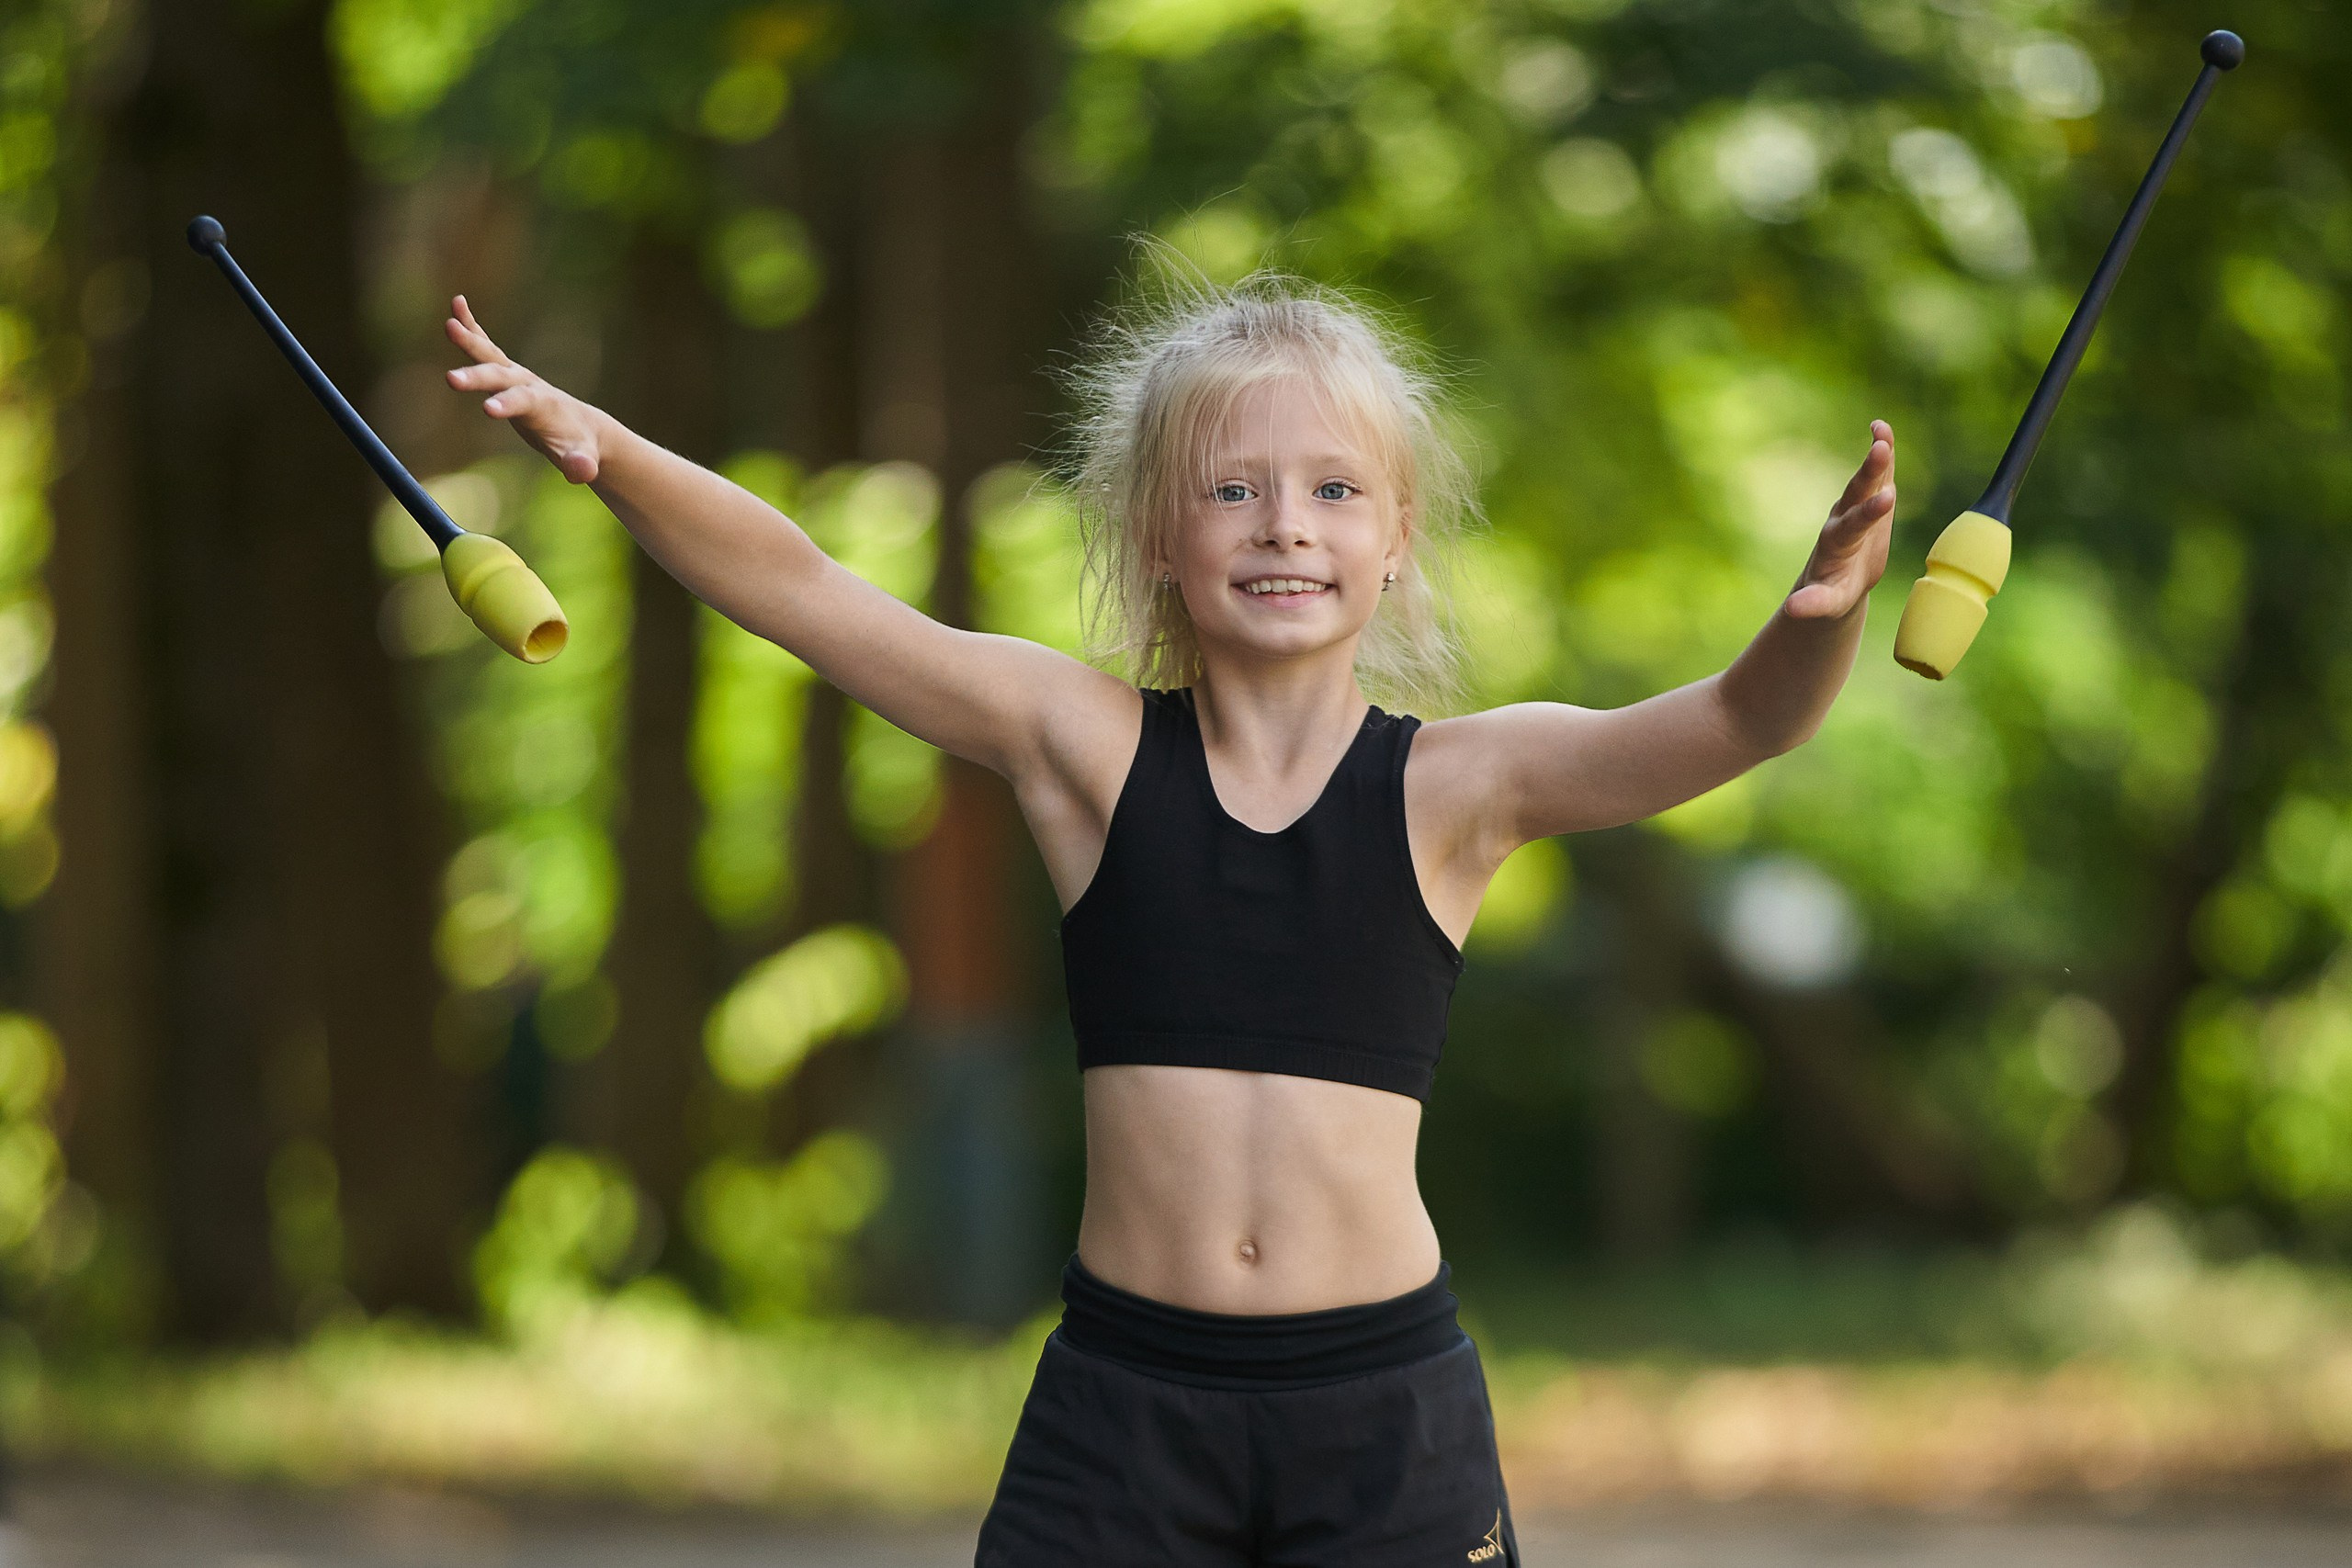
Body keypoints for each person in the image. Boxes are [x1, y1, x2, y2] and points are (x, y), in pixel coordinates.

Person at [442, 272, 1897, 1567]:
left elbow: (1737, 721)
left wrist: (1820, 615)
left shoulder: (1461, 788)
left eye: (1336, 491)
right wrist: (609, 450)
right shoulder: (1080, 749)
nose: (1286, 525)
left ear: (1399, 537)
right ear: (1156, 534)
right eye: (1232, 489)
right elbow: (807, 589)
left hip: (1382, 1412)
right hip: (1125, 1408)